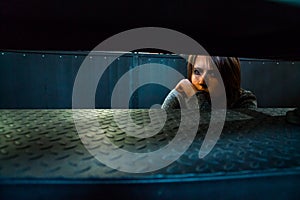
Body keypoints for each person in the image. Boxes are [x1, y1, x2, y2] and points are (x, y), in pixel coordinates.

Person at [161, 55, 257, 111]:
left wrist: (196, 97)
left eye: (212, 74)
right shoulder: (185, 91)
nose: (202, 81)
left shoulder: (245, 100)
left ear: (228, 77)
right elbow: (161, 123)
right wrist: (175, 93)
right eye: (197, 72)